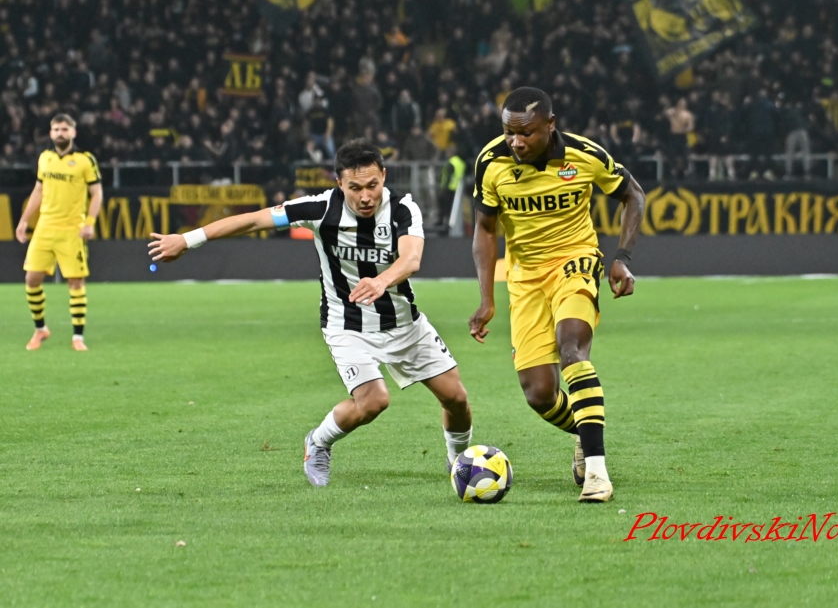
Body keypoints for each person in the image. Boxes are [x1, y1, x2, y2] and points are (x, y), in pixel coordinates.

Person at [147, 139, 474, 487]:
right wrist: (187, 240)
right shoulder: (319, 208)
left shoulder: (403, 209)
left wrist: (382, 281)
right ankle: (318, 442)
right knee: (373, 401)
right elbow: (254, 220)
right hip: (347, 326)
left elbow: (411, 258)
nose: (366, 196)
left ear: (383, 175)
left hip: (404, 324)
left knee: (456, 399)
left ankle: (459, 462)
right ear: (339, 183)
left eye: (372, 185)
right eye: (355, 188)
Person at [469, 87, 645, 503]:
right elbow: (485, 230)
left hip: (575, 260)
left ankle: (597, 474)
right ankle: (585, 429)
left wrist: (621, 257)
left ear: (550, 125)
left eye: (525, 133)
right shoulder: (490, 162)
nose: (516, 142)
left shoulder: (584, 155)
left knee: (572, 350)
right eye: (509, 133)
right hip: (524, 277)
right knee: (539, 393)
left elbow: (633, 194)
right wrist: (487, 298)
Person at [15, 113, 103, 351]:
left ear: (73, 132)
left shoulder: (85, 160)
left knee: (75, 281)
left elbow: (96, 193)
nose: (60, 133)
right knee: (31, 279)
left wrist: (90, 222)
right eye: (56, 129)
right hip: (44, 228)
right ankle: (40, 329)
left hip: (72, 229)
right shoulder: (45, 158)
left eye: (64, 129)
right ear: (51, 133)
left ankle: (78, 337)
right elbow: (38, 190)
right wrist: (24, 220)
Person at [437, 145, 466, 234]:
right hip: (458, 189)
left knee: (446, 208)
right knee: (453, 210)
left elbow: (448, 176)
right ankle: (449, 225)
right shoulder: (461, 162)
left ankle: (444, 226)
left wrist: (443, 187)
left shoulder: (451, 162)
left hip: (449, 188)